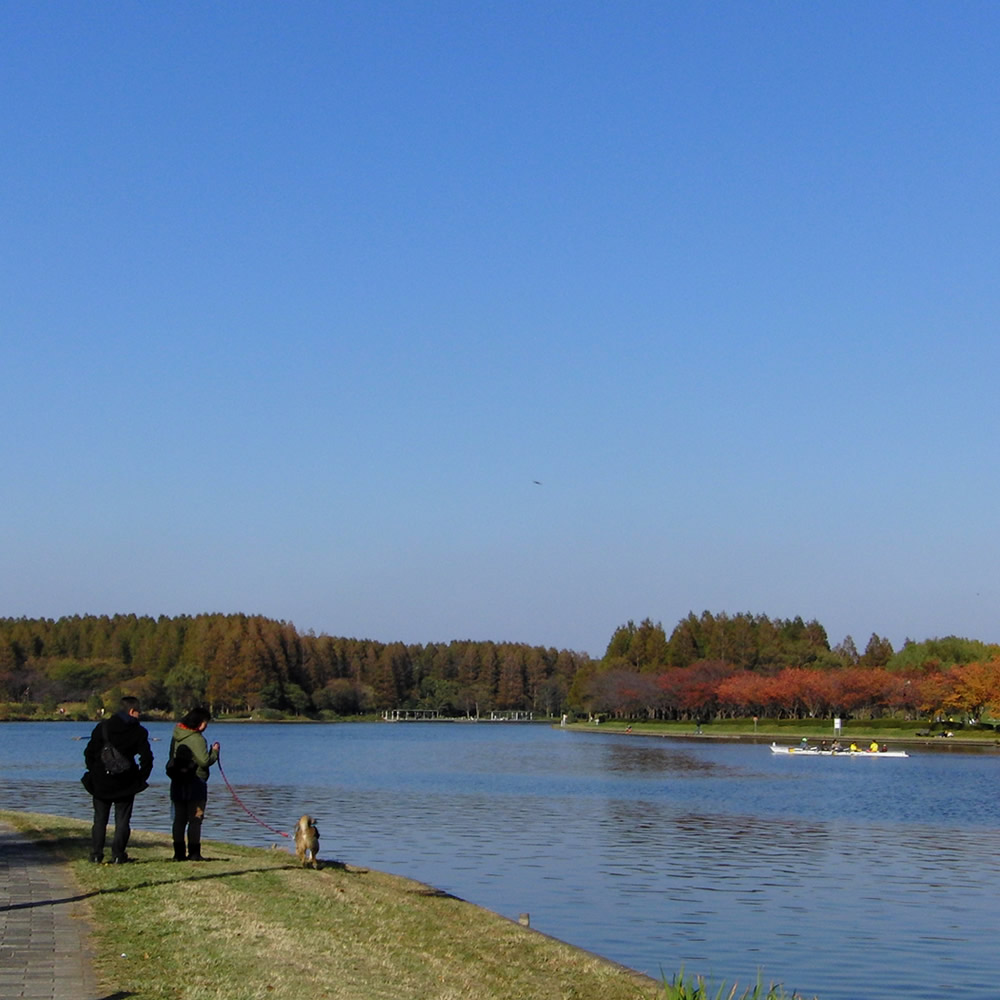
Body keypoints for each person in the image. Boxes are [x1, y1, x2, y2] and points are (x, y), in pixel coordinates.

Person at [81, 696, 153, 864]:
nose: (140, 715)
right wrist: (141, 777)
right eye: (138, 712)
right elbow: (147, 758)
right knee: (122, 820)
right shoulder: (139, 731)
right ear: (132, 711)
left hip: (101, 780)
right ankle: (118, 854)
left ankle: (96, 854)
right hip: (126, 781)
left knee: (100, 819)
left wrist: (94, 770)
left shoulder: (103, 727)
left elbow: (89, 752)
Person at [167, 706, 220, 861]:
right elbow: (204, 761)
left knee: (179, 819)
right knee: (195, 819)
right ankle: (194, 853)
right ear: (198, 722)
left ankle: (178, 853)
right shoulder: (197, 739)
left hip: (177, 780)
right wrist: (214, 752)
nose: (206, 725)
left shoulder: (177, 735)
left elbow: (171, 757)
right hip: (196, 781)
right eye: (205, 722)